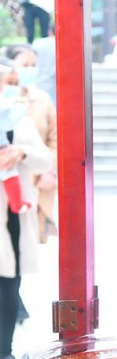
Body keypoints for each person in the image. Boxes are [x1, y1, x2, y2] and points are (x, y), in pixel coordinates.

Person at [0, 64, 50, 359]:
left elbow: (44, 157)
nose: (12, 87)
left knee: (10, 284)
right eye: (8, 81)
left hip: (14, 214)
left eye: (15, 82)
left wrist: (20, 152)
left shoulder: (19, 118)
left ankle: (4, 352)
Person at [3, 47, 57, 243]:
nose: (30, 69)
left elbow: (54, 139)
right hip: (9, 180)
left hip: (37, 179)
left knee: (28, 239)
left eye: (33, 65)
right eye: (25, 65)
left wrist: (50, 170)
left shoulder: (41, 99)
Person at [31, 27, 56, 105]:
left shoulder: (37, 43)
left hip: (37, 85)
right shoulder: (62, 45)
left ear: (50, 31)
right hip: (54, 87)